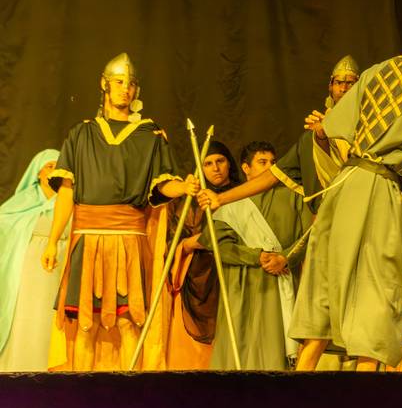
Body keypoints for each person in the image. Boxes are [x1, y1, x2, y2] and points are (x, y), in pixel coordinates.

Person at [287, 21, 402, 372]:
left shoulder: (377, 71)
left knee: (325, 284)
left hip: (346, 183)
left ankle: (296, 386)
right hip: (377, 186)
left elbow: (336, 128)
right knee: (377, 286)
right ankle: (365, 393)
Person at [41, 52, 198, 371]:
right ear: (105, 84)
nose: (125, 88)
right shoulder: (81, 134)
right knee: (86, 324)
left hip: (129, 240)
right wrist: (53, 241)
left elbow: (161, 186)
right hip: (88, 240)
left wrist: (183, 187)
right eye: (119, 82)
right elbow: (67, 192)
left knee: (130, 322)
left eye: (131, 83)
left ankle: (130, 394)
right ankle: (81, 394)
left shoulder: (149, 136)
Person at [184, 140, 313, 370]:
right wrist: (255, 256)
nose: (271, 168)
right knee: (241, 347)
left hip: (281, 281)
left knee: (276, 347)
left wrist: (285, 257)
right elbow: (219, 245)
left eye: (274, 162)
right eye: (263, 162)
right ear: (246, 168)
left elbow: (310, 236)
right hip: (242, 286)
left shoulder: (295, 196)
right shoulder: (231, 200)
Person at [199, 55, 360, 214]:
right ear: (330, 86)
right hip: (332, 213)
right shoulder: (310, 139)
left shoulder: (368, 128)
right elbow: (272, 175)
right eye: (339, 83)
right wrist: (220, 198)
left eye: (350, 83)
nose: (343, 89)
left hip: (363, 205)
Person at [166, 141, 242, 370]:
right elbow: (173, 244)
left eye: (220, 161)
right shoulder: (187, 202)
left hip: (235, 272)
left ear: (229, 163)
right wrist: (200, 240)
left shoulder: (242, 194)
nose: (215, 168)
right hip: (198, 277)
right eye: (208, 164)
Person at [0, 150, 68, 371]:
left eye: (58, 166)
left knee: (49, 316)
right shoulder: (23, 201)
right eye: (49, 166)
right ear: (37, 173)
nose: (54, 171)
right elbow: (5, 225)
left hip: (58, 267)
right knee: (26, 314)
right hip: (26, 270)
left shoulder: (69, 200)